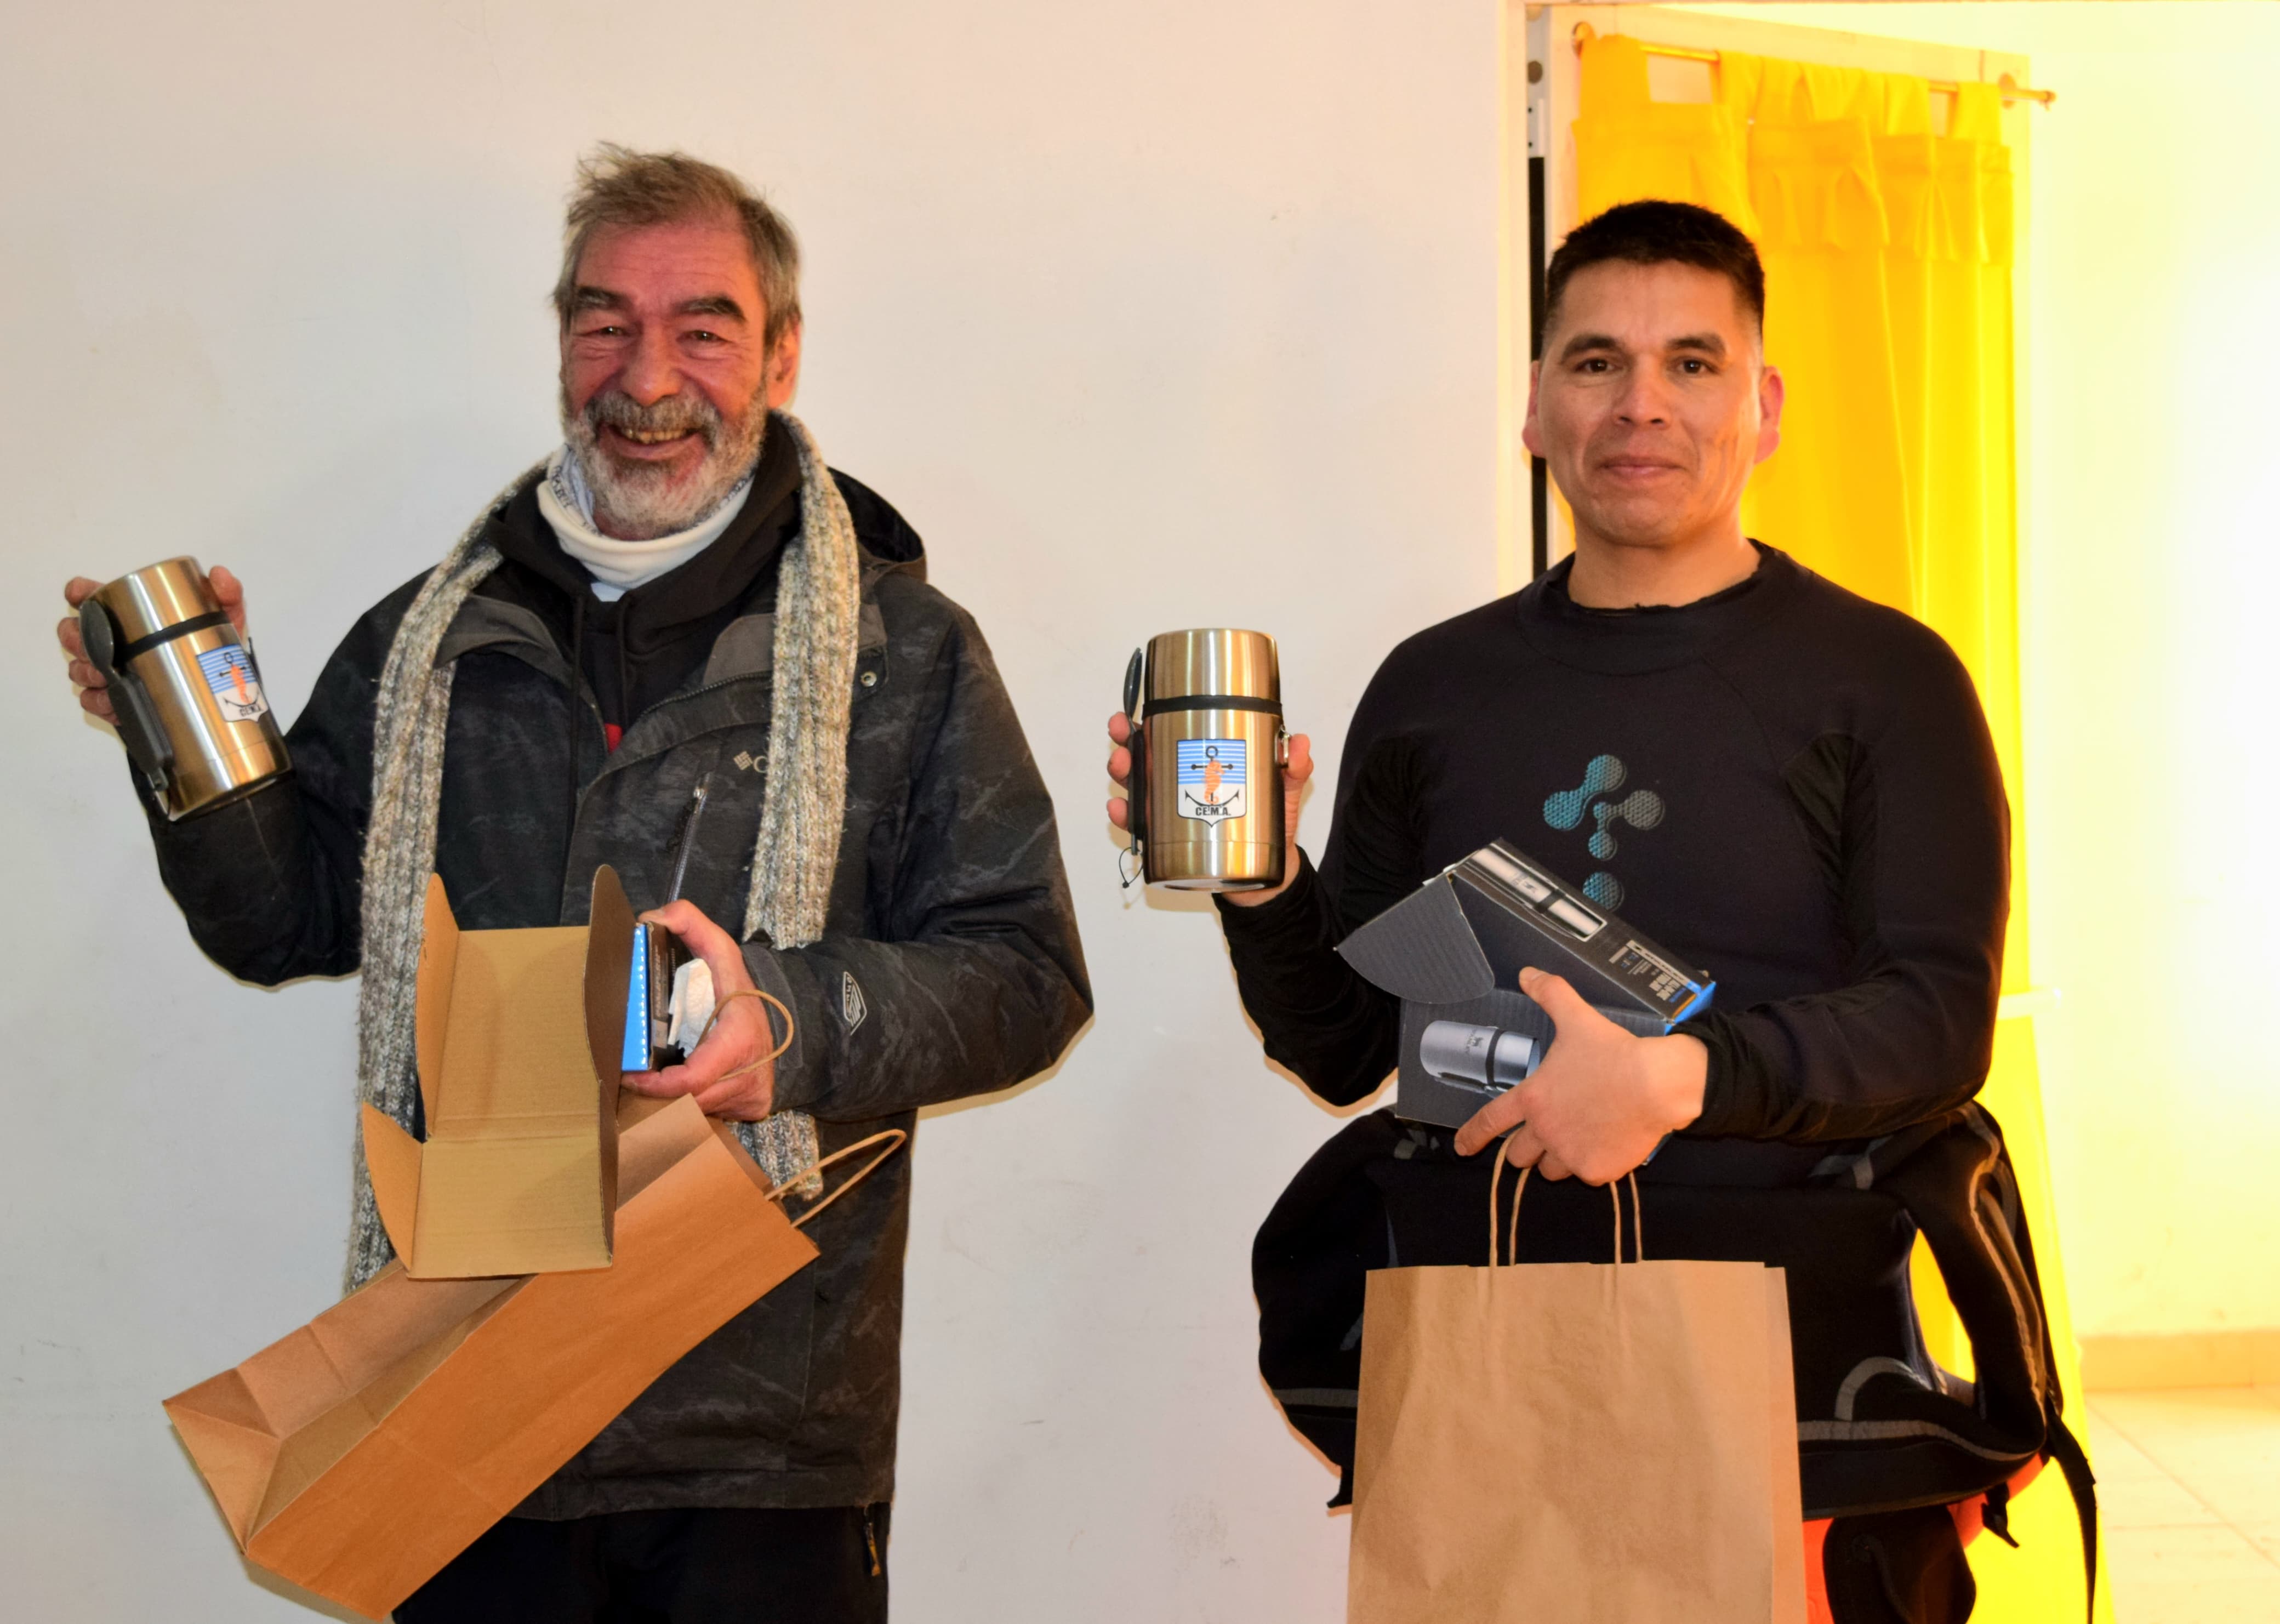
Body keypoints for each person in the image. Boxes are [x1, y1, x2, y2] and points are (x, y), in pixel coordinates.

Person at [61, 146, 1091, 1622]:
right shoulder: (431, 639)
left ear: (781, 354)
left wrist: (783, 1020)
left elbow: (1024, 973)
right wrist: (188, 737)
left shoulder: (903, 652)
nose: (645, 372)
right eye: (604, 320)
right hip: (466, 1410)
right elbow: (278, 918)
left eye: (704, 325)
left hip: (762, 1444)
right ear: (560, 342)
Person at [1108, 201, 2019, 1622]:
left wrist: (1672, 1081)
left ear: (1763, 405)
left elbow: (1934, 1017)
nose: (1641, 402)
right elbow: (1348, 1042)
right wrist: (1263, 880)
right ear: (1535, 405)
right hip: (1488, 1352)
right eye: (1595, 361)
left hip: (1804, 1388)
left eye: (1693, 362)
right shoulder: (1432, 686)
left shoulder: (1889, 680)